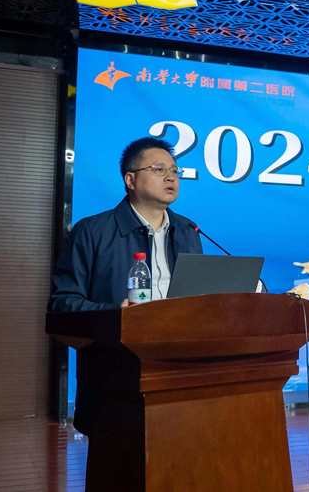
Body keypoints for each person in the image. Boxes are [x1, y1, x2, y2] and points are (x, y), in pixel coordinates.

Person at [48, 137, 203, 434]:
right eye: (158, 169)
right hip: (117, 372)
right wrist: (115, 315)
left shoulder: (188, 230)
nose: (171, 177)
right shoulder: (92, 231)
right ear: (130, 180)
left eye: (175, 170)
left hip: (181, 367)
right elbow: (62, 304)